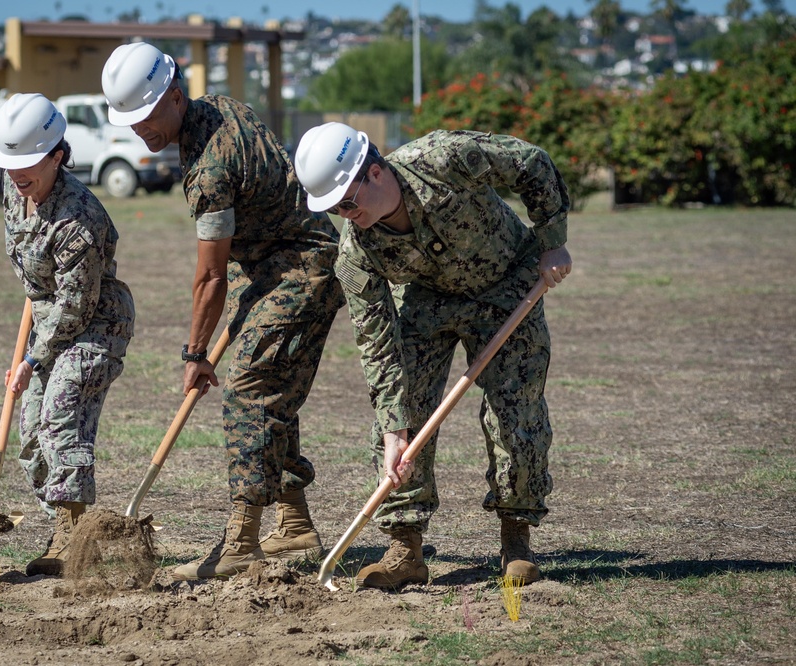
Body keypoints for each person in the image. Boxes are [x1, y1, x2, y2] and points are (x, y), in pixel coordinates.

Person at [101, 42, 345, 581]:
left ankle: (242, 540)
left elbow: (209, 277)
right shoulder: (216, 106)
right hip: (268, 264)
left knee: (249, 390)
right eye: (130, 120)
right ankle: (294, 519)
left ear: (171, 93)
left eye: (144, 115)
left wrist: (195, 353)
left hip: (303, 266)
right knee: (272, 386)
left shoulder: (209, 169)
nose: (139, 129)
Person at [294, 122, 572, 590]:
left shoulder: (445, 158)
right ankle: (406, 548)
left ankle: (516, 541)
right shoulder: (355, 252)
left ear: (376, 173)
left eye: (348, 201)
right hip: (426, 301)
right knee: (404, 424)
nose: (346, 214)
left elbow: (531, 163)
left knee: (515, 413)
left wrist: (553, 238)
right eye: (334, 208)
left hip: (508, 284)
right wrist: (392, 428)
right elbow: (376, 342)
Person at [0, 93, 135, 577]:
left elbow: (76, 305)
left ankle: (74, 540)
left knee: (60, 412)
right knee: (31, 435)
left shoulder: (82, 219)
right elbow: (34, 272)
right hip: (47, 318)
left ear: (57, 155)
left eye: (27, 164)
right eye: (8, 163)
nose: (15, 174)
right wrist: (34, 313)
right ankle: (64, 521)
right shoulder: (15, 188)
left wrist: (32, 360)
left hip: (97, 323)